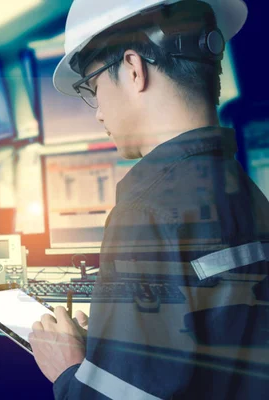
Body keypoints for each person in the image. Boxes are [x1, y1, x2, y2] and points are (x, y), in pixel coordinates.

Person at [29, 0, 269, 398]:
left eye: (94, 88)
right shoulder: (247, 192)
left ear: (133, 69)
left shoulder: (146, 212)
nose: (99, 114)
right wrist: (115, 343)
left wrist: (69, 369)